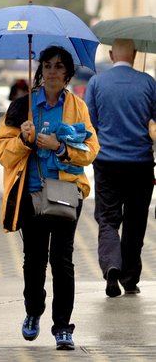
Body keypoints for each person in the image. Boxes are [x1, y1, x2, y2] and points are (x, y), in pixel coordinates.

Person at [0, 46, 99, 350]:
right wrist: (24, 140)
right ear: (40, 70)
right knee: (34, 260)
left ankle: (63, 326)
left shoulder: (77, 107)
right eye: (48, 66)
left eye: (59, 66)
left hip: (66, 192)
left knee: (63, 261)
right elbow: (2, 152)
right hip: (30, 193)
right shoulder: (22, 107)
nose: (53, 71)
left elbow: (91, 151)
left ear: (67, 73)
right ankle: (32, 312)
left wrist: (59, 147)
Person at [84, 38, 156, 297]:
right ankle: (130, 278)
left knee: (107, 219)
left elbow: (89, 123)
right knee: (136, 222)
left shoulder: (97, 83)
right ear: (135, 54)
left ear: (112, 54)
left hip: (107, 163)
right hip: (141, 164)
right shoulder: (148, 82)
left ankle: (111, 266)